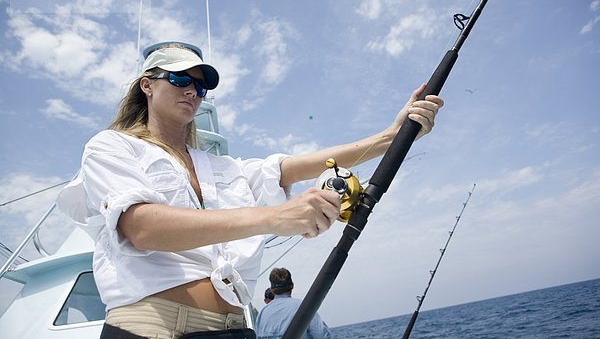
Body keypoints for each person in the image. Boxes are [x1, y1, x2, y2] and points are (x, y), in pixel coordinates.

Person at [57, 40, 444, 339]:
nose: (191, 90)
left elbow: (291, 167)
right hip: (151, 328)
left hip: (234, 328)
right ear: (147, 85)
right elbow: (143, 228)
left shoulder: (224, 167)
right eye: (178, 79)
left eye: (199, 85)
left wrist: (392, 136)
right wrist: (276, 218)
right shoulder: (111, 146)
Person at [255, 268, 330, 339]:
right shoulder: (304, 306)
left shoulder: (262, 313)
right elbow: (322, 336)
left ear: (271, 289)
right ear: (292, 285)